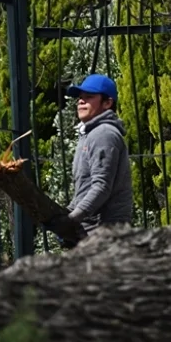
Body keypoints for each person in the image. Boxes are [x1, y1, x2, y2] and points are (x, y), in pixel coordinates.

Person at [63, 73, 134, 237]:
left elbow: (101, 186)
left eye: (89, 97)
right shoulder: (90, 134)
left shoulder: (104, 134)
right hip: (93, 230)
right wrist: (66, 215)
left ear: (107, 103)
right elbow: (84, 188)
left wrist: (72, 219)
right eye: (80, 97)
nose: (81, 101)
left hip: (106, 233)